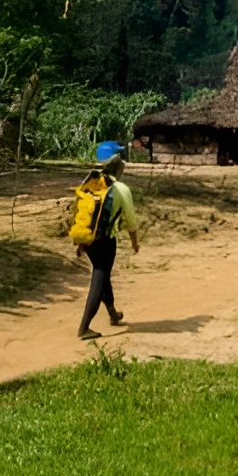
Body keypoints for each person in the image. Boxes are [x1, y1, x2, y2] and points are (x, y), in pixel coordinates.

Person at [74, 144, 142, 339]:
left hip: (88, 239)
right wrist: (134, 243)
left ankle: (112, 312)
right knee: (99, 277)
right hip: (106, 241)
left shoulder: (90, 182)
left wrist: (81, 242)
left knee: (103, 275)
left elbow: (81, 213)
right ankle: (84, 328)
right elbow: (130, 220)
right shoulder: (120, 189)